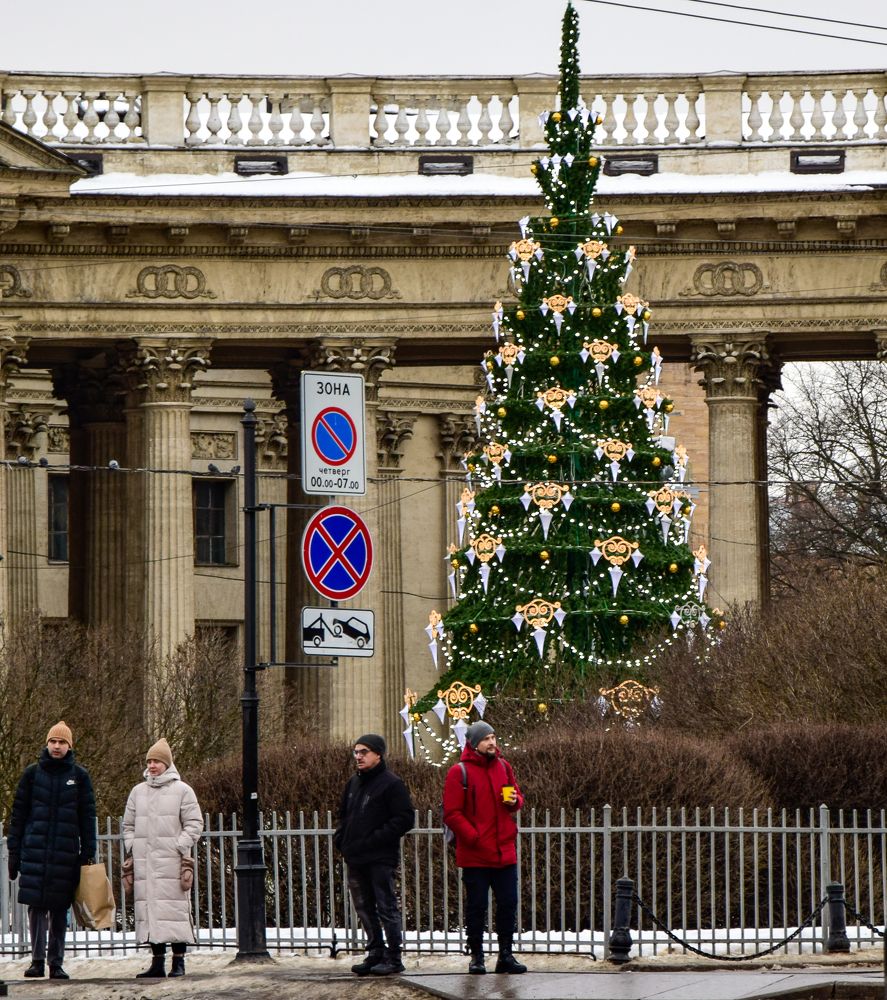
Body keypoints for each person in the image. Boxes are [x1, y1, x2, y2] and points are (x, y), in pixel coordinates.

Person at [7, 721, 97, 980]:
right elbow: (18, 815)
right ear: (47, 744)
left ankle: (55, 962)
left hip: (65, 853)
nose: (57, 746)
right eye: (53, 742)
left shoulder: (79, 777)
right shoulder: (32, 774)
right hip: (34, 850)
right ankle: (36, 961)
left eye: (62, 742)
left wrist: (87, 853)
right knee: (35, 907)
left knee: (59, 909)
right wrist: (15, 851)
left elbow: (87, 817)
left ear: (70, 746)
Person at [443, 720, 527, 976]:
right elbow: (452, 813)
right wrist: (474, 837)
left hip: (504, 851)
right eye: (486, 739)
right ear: (474, 743)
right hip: (476, 854)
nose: (492, 742)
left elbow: (516, 798)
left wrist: (515, 801)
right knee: (477, 907)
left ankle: (505, 955)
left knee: (508, 904)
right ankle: (477, 957)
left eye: (493, 737)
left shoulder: (504, 766)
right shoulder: (459, 772)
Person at [334, 733, 414, 977]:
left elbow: (404, 819)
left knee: (385, 905)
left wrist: (373, 840)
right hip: (355, 856)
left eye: (364, 752)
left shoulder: (391, 784)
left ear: (378, 754)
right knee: (363, 906)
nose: (358, 756)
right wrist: (342, 839)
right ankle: (375, 951)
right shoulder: (354, 783)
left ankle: (394, 956)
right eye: (356, 752)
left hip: (380, 857)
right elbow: (344, 815)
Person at [123, 738, 203, 979]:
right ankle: (157, 962)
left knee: (174, 910)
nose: (153, 765)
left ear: (167, 763)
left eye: (157, 760)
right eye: (149, 761)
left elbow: (195, 823)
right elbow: (128, 825)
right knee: (149, 910)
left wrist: (179, 846)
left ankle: (179, 962)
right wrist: (133, 845)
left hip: (172, 861)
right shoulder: (138, 792)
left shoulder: (183, 790)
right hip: (145, 862)